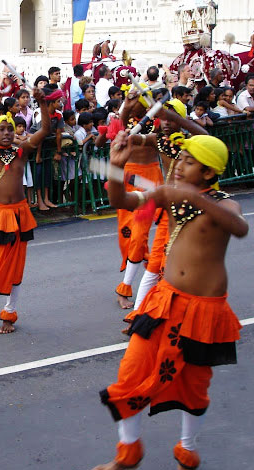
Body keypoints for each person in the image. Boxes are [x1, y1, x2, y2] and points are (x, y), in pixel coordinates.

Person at [91, 130, 247, 470]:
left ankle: (187, 459)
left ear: (208, 173)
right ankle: (128, 452)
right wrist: (116, 168)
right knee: (130, 372)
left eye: (189, 162)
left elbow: (240, 227)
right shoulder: (165, 195)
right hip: (163, 303)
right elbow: (124, 201)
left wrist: (191, 196)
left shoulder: (223, 203)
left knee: (193, 387)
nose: (178, 164)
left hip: (204, 313)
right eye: (179, 158)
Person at [0, 88, 52, 334]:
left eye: (10, 129)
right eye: (1, 130)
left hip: (20, 214)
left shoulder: (21, 151)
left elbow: (45, 131)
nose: (6, 133)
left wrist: (42, 102)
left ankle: (9, 314)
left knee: (16, 267)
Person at [122, 99, 209, 326]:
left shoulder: (193, 145)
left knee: (179, 268)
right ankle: (137, 318)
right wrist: (124, 134)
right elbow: (133, 137)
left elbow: (206, 134)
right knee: (153, 268)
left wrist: (180, 119)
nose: (167, 124)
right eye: (164, 118)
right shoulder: (157, 139)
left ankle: (183, 316)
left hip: (188, 213)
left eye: (172, 119)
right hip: (169, 211)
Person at [111, 87, 163, 309]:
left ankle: (131, 284)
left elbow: (151, 137)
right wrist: (128, 98)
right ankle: (131, 283)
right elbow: (121, 123)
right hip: (130, 177)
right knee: (131, 235)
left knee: (152, 232)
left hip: (152, 178)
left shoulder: (158, 122)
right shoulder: (124, 120)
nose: (136, 102)